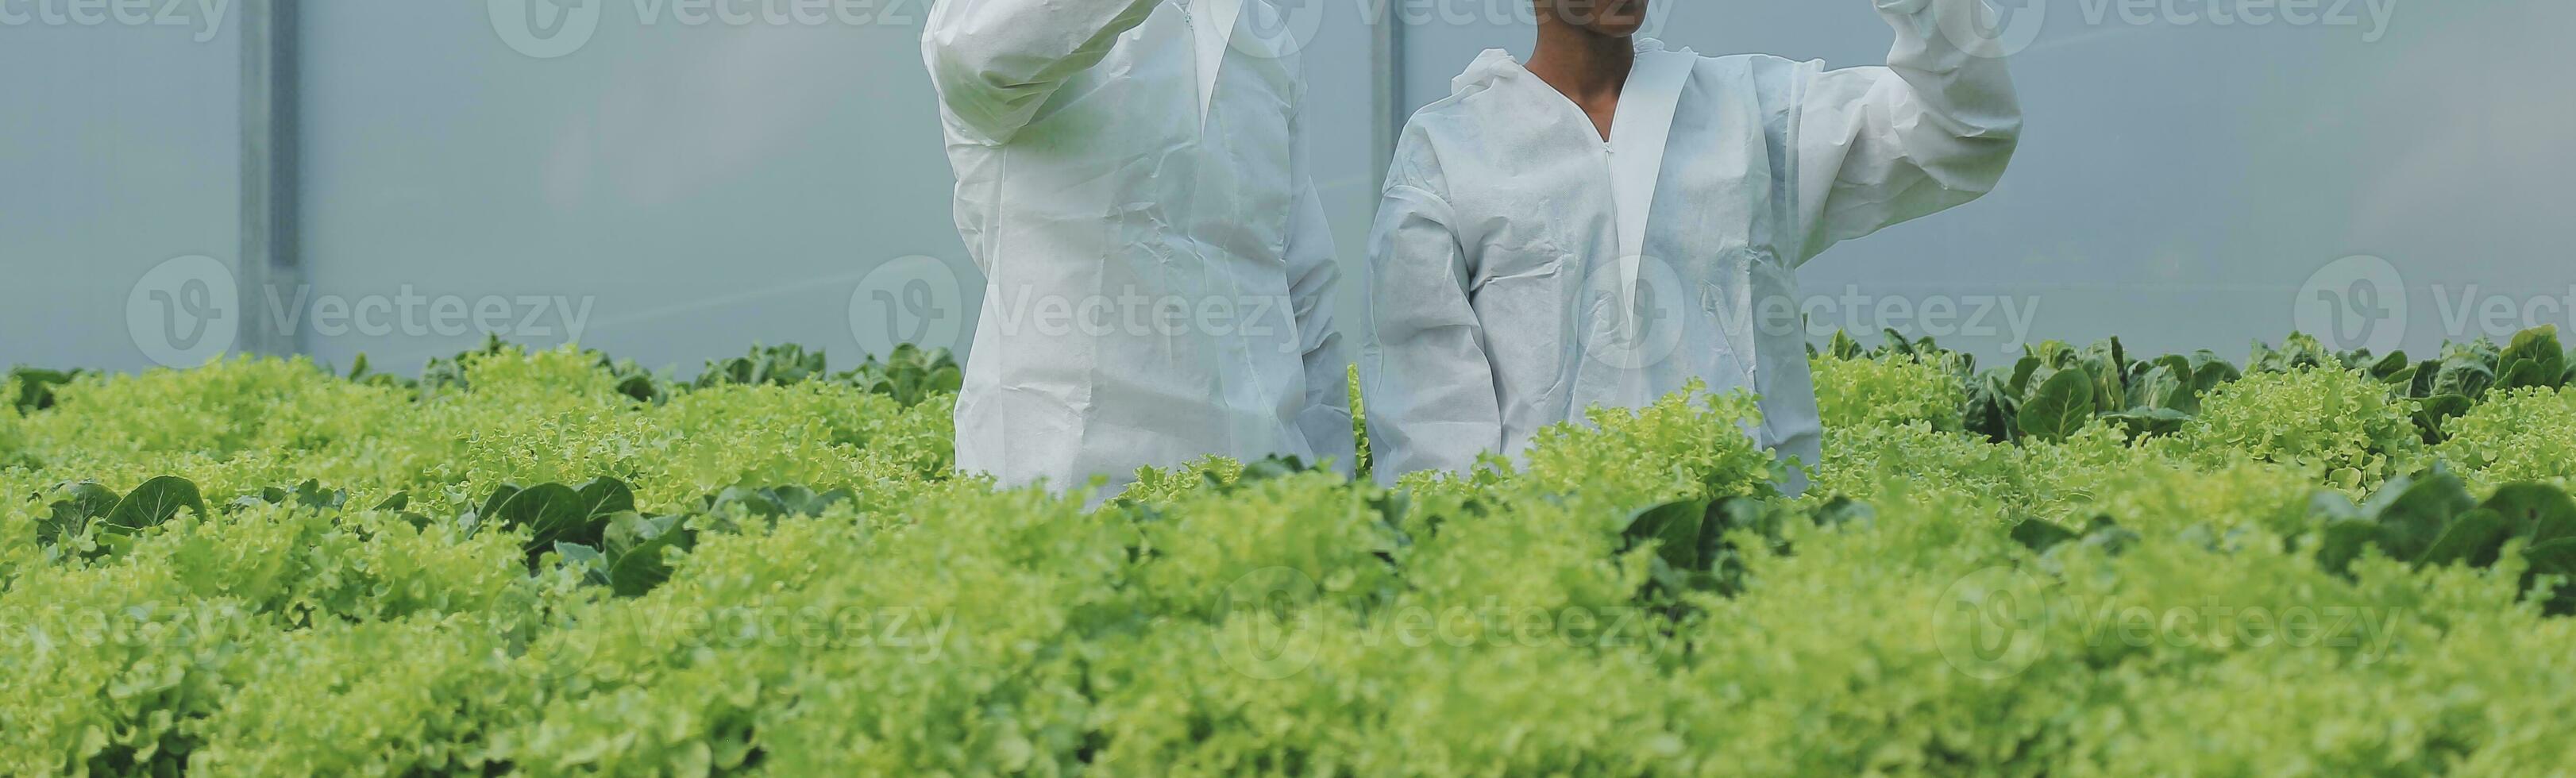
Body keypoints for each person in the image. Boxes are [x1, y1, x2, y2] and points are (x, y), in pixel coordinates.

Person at [1361, 0, 2021, 490]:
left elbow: (1962, 134)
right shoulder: (1452, 149)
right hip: (1548, 564)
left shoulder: (1746, 112)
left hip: (1745, 541)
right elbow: (1429, 405)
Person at [922, 0, 1353, 497]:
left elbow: (1302, 290)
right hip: (1067, 478)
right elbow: (973, 55)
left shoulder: (1264, 37)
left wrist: (1333, 493)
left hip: (1257, 486)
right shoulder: (985, 22)